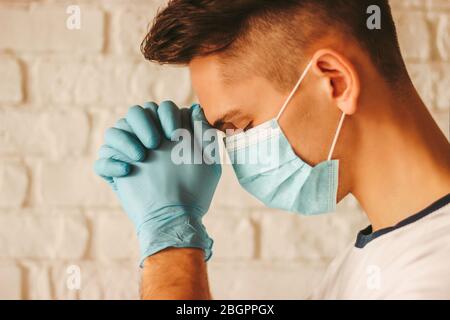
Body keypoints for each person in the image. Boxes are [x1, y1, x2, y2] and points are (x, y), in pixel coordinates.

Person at [94, 0, 450, 299]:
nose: (232, 151)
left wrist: (170, 239)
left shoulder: (434, 275)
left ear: (336, 81)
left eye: (240, 126)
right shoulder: (372, 259)